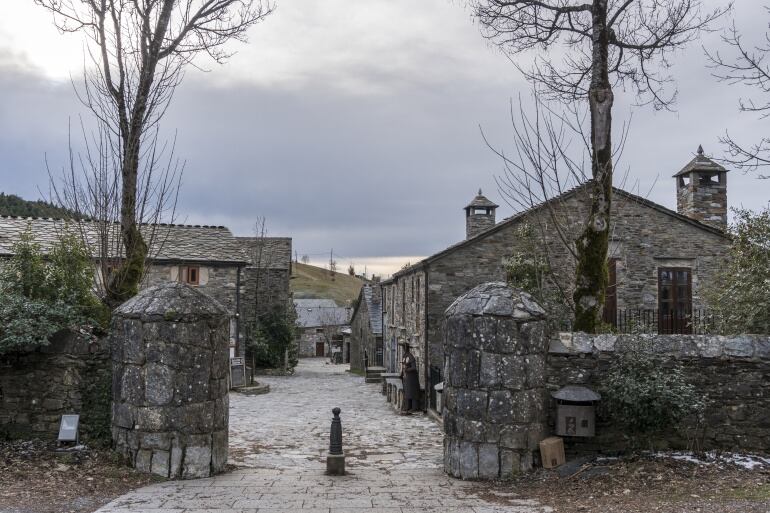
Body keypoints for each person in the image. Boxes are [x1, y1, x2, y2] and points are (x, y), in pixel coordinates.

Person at [399, 341, 420, 414]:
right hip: (406, 378)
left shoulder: (411, 357)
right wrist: (401, 374)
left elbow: (414, 367)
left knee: (412, 392)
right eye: (403, 348)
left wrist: (407, 370)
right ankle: (408, 406)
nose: (404, 349)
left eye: (404, 347)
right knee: (407, 392)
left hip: (411, 378)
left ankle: (414, 407)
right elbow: (403, 366)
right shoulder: (404, 356)